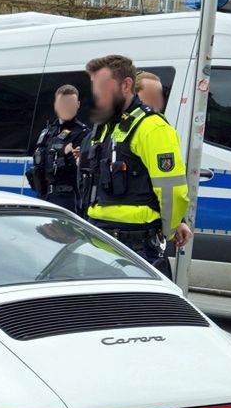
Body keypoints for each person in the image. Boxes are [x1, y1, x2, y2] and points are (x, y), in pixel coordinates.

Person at [84, 54, 192, 274]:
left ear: (126, 85)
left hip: (133, 246)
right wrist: (171, 227)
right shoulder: (104, 128)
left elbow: (173, 190)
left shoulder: (152, 128)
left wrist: (170, 229)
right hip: (101, 239)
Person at [28, 85, 90, 213]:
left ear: (78, 104)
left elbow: (83, 169)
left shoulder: (83, 133)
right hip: (43, 196)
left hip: (66, 198)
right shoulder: (49, 131)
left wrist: (68, 157)